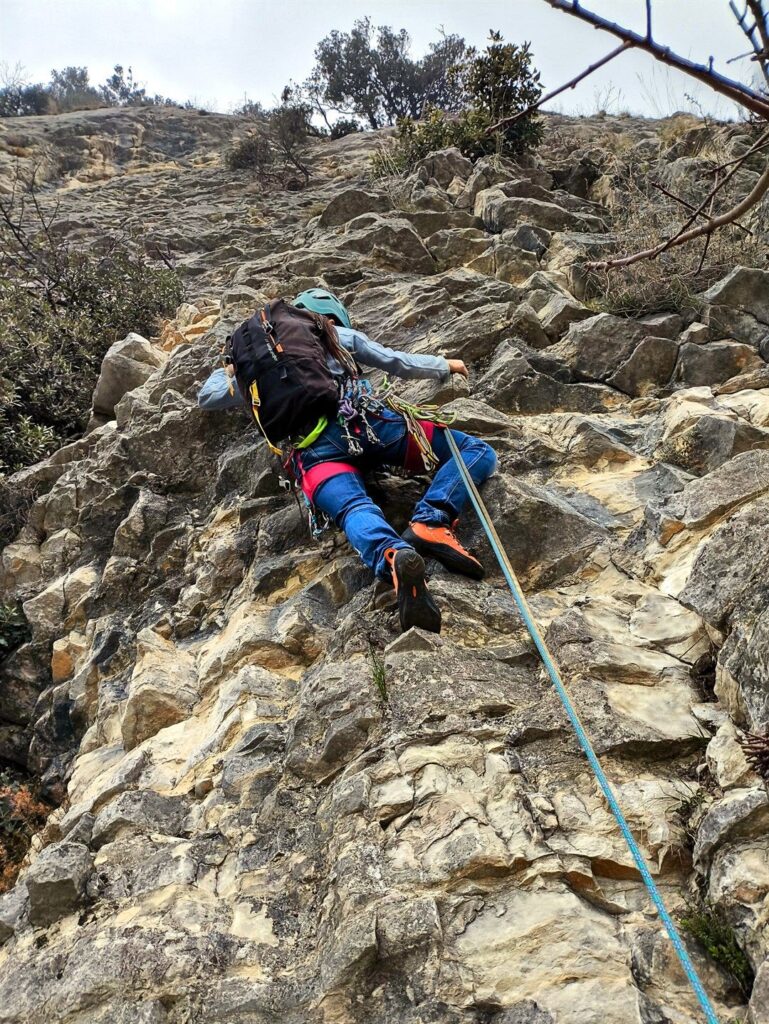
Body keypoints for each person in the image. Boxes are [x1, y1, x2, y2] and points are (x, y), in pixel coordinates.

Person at [198, 288, 497, 634]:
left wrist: (233, 368)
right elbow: (394, 360)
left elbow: (208, 397)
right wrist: (443, 365)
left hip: (311, 453)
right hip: (368, 426)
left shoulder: (257, 365)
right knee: (473, 452)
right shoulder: (334, 333)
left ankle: (393, 556)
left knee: (354, 508)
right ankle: (431, 521)